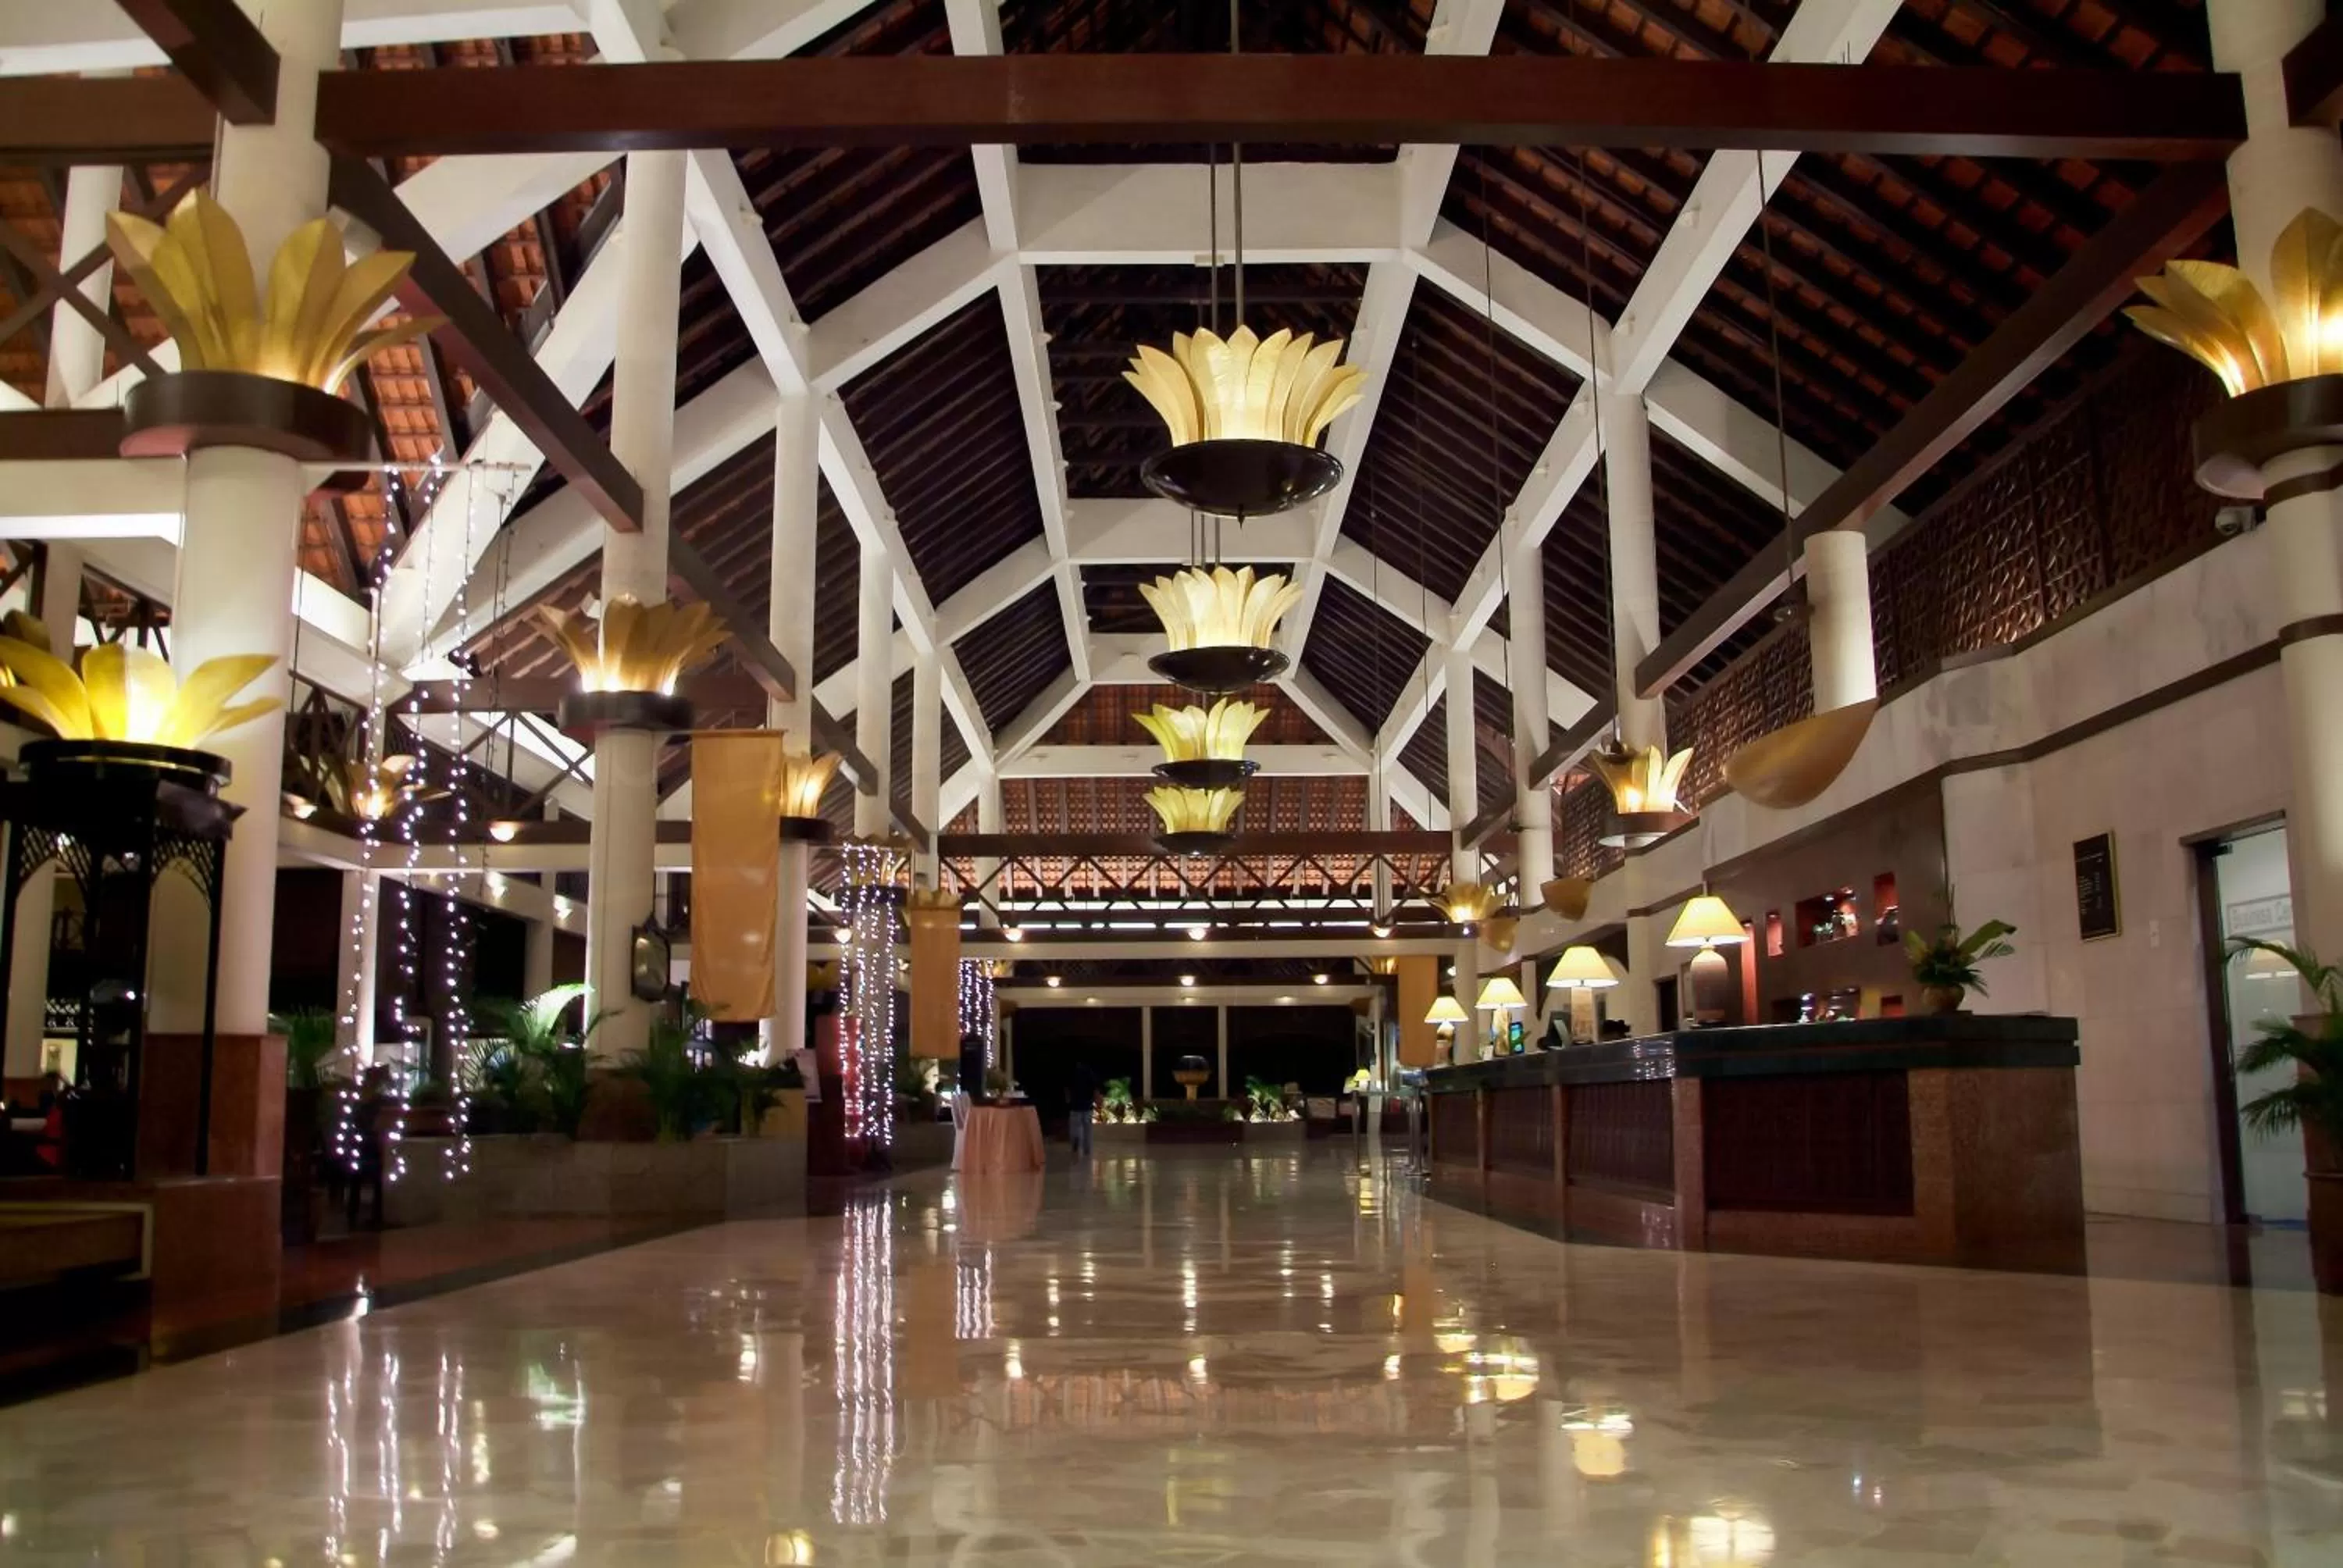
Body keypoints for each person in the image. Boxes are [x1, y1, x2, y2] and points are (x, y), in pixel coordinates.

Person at [347, 1067, 394, 1231]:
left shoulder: (363, 1100)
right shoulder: (376, 1101)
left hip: (363, 1144)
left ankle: (356, 1215)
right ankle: (373, 1215)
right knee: (375, 1177)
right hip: (370, 1144)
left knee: (362, 1178)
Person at [1065, 1060, 1099, 1159]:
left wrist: (1068, 1100)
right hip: (1087, 1106)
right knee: (1088, 1129)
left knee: (1075, 1128)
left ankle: (1076, 1143)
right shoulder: (1090, 1073)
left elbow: (1067, 1089)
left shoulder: (1072, 1073)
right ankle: (1087, 1149)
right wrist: (1096, 1101)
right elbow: (1095, 1088)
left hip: (1075, 1106)